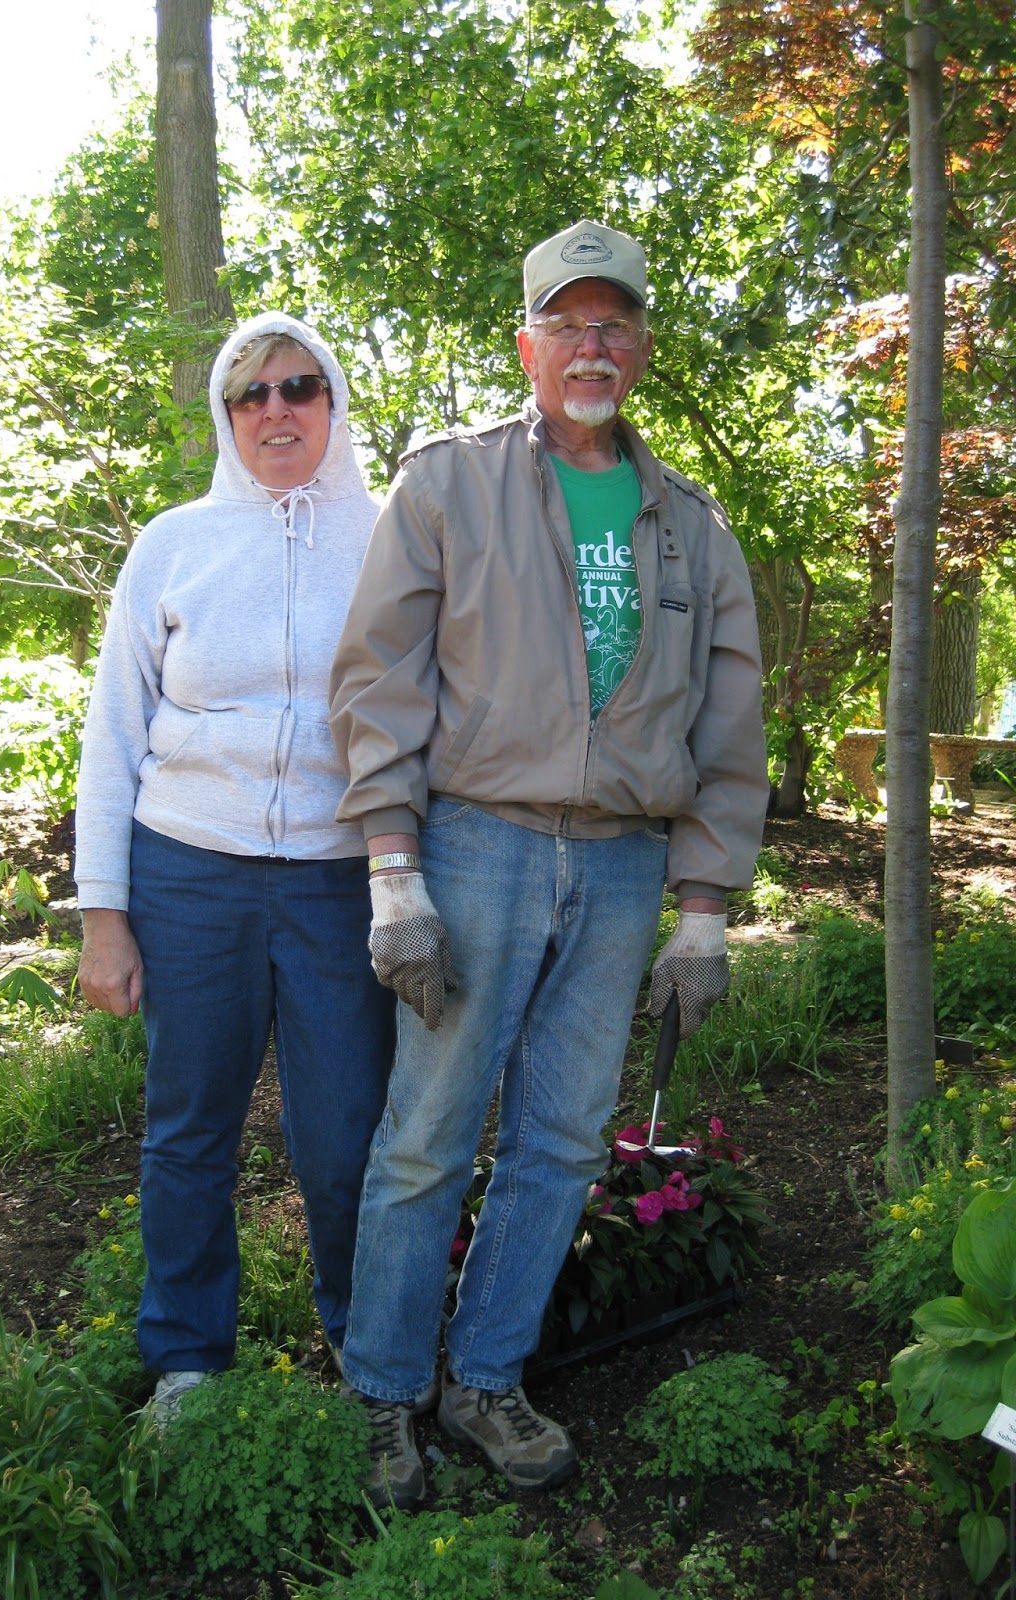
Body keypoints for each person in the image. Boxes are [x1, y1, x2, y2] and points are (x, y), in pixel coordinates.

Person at [328, 221, 769, 1507]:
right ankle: (382, 1391)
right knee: (428, 1131)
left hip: (626, 866)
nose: (591, 346)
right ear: (527, 344)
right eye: (567, 323)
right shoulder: (448, 483)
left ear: (641, 347)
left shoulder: (692, 526)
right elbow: (378, 678)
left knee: (566, 1140)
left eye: (613, 323)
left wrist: (703, 911)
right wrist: (394, 871)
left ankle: (484, 1378)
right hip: (478, 845)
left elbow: (728, 729)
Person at [74, 311, 396, 1419]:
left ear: (333, 401)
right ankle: (188, 1359)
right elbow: (113, 733)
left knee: (347, 1133)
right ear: (225, 415)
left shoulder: (393, 538)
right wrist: (103, 915)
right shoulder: (174, 544)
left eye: (300, 386)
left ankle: (366, 1344)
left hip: (342, 876)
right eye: (250, 393)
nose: (276, 410)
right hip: (188, 873)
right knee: (190, 1129)